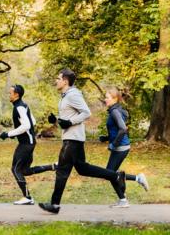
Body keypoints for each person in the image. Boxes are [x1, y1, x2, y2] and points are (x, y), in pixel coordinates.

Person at [39, 69, 127, 214]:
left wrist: (69, 122)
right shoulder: (65, 96)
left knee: (62, 170)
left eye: (58, 78)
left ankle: (54, 205)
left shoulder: (73, 95)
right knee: (83, 169)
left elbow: (86, 112)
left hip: (72, 139)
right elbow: (67, 119)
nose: (56, 80)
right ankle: (116, 176)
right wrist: (55, 120)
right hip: (72, 137)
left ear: (65, 81)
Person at [0, 85, 56, 205]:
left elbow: (26, 125)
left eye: (10, 93)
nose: (9, 95)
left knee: (15, 169)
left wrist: (9, 134)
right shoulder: (23, 105)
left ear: (16, 95)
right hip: (28, 142)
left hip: (26, 144)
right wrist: (18, 132)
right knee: (24, 170)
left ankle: (27, 197)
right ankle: (52, 166)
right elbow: (32, 122)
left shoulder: (19, 107)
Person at [98, 87, 149, 204]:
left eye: (107, 97)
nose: (105, 99)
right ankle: (125, 196)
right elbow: (117, 130)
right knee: (110, 173)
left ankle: (126, 195)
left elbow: (123, 129)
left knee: (109, 173)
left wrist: (113, 144)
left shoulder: (115, 112)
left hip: (120, 147)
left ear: (115, 99)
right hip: (120, 147)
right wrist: (106, 138)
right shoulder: (114, 110)